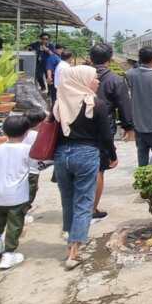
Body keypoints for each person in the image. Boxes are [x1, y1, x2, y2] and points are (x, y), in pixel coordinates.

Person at [53, 65, 117, 270]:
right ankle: (74, 251)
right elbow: (106, 136)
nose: (97, 81)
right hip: (87, 154)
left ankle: (70, 240)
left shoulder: (58, 104)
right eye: (94, 78)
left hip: (62, 156)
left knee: (68, 201)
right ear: (82, 80)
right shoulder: (95, 104)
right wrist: (111, 156)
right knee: (84, 202)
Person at [0, 115, 32, 270]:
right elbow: (37, 165)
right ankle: (9, 254)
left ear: (4, 131)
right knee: (15, 224)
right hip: (18, 195)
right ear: (26, 132)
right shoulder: (27, 150)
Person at [89, 43, 134, 220]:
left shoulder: (79, 77)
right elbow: (124, 105)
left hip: (76, 129)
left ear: (91, 58)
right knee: (98, 169)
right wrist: (128, 127)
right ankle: (92, 209)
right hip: (102, 130)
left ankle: (78, 208)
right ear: (110, 58)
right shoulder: (115, 80)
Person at [22, 109, 48, 222]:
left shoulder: (22, 134)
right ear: (39, 123)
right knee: (30, 192)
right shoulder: (37, 135)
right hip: (32, 170)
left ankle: (22, 210)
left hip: (21, 169)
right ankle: (22, 214)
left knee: (23, 191)